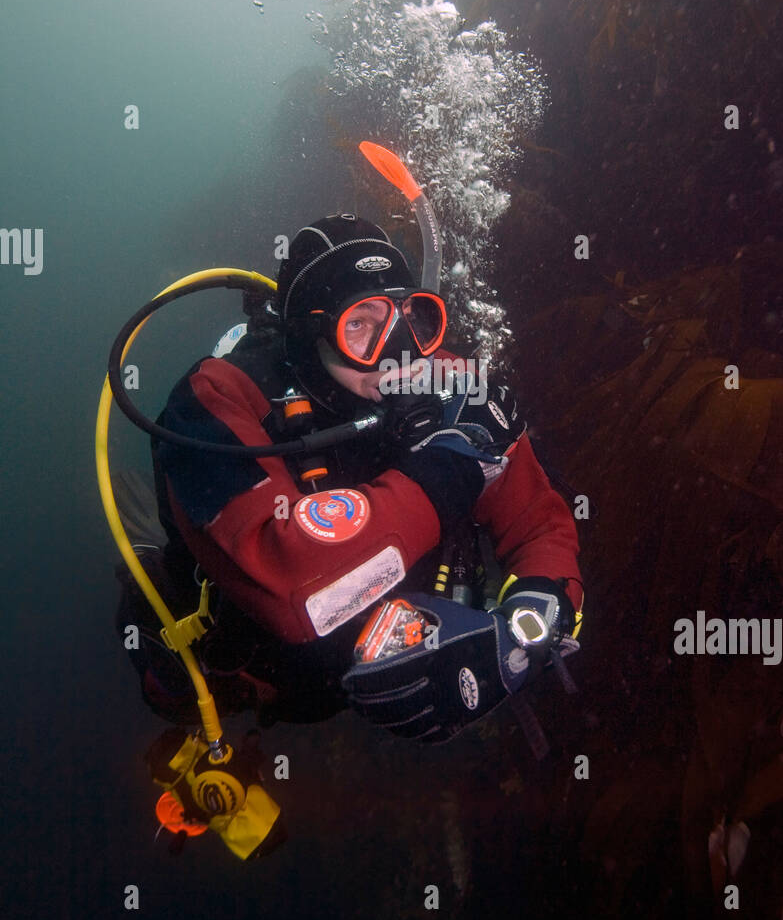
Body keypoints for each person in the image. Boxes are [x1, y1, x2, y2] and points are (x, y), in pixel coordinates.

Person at [120, 213, 584, 743]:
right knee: (170, 692)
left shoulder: (452, 383)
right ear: (308, 335)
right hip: (254, 675)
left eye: (411, 318)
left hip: (390, 654)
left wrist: (542, 602)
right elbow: (297, 593)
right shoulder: (214, 401)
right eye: (360, 324)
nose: (398, 349)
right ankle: (147, 550)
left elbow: (539, 523)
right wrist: (448, 469)